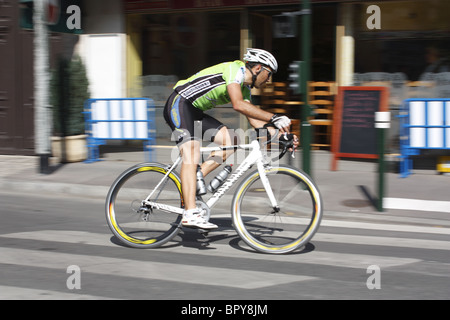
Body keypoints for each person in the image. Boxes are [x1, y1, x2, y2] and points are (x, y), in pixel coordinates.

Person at [163, 48, 298, 229]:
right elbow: (238, 104)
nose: (269, 79)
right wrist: (274, 117)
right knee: (191, 152)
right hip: (179, 103)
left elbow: (257, 124)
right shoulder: (236, 70)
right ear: (258, 68)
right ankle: (190, 213)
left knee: (232, 141)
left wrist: (282, 137)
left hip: (194, 111)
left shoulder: (245, 88)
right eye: (269, 73)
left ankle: (193, 183)